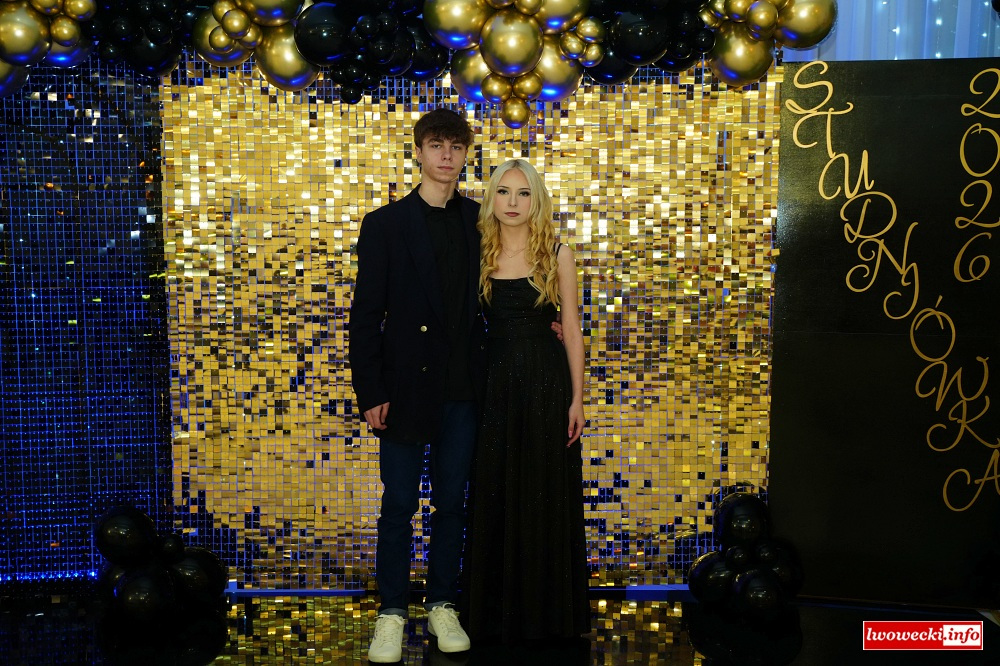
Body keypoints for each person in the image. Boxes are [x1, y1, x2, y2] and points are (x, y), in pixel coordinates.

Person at [348, 108, 484, 663]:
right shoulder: (385, 224)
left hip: (463, 388)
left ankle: (443, 604)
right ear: (419, 152)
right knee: (399, 504)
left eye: (456, 146)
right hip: (403, 388)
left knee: (452, 502)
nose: (446, 155)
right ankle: (391, 612)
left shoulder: (480, 220)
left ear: (466, 154)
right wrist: (371, 392)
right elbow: (365, 316)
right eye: (436, 145)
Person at [461, 159, 590, 644]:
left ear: (536, 200)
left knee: (543, 490)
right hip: (493, 386)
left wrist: (577, 399)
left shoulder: (557, 253)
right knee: (495, 488)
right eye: (503, 192)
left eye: (523, 193)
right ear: (491, 199)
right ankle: (495, 614)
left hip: (544, 383)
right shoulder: (477, 251)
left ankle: (546, 614)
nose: (512, 202)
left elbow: (571, 328)